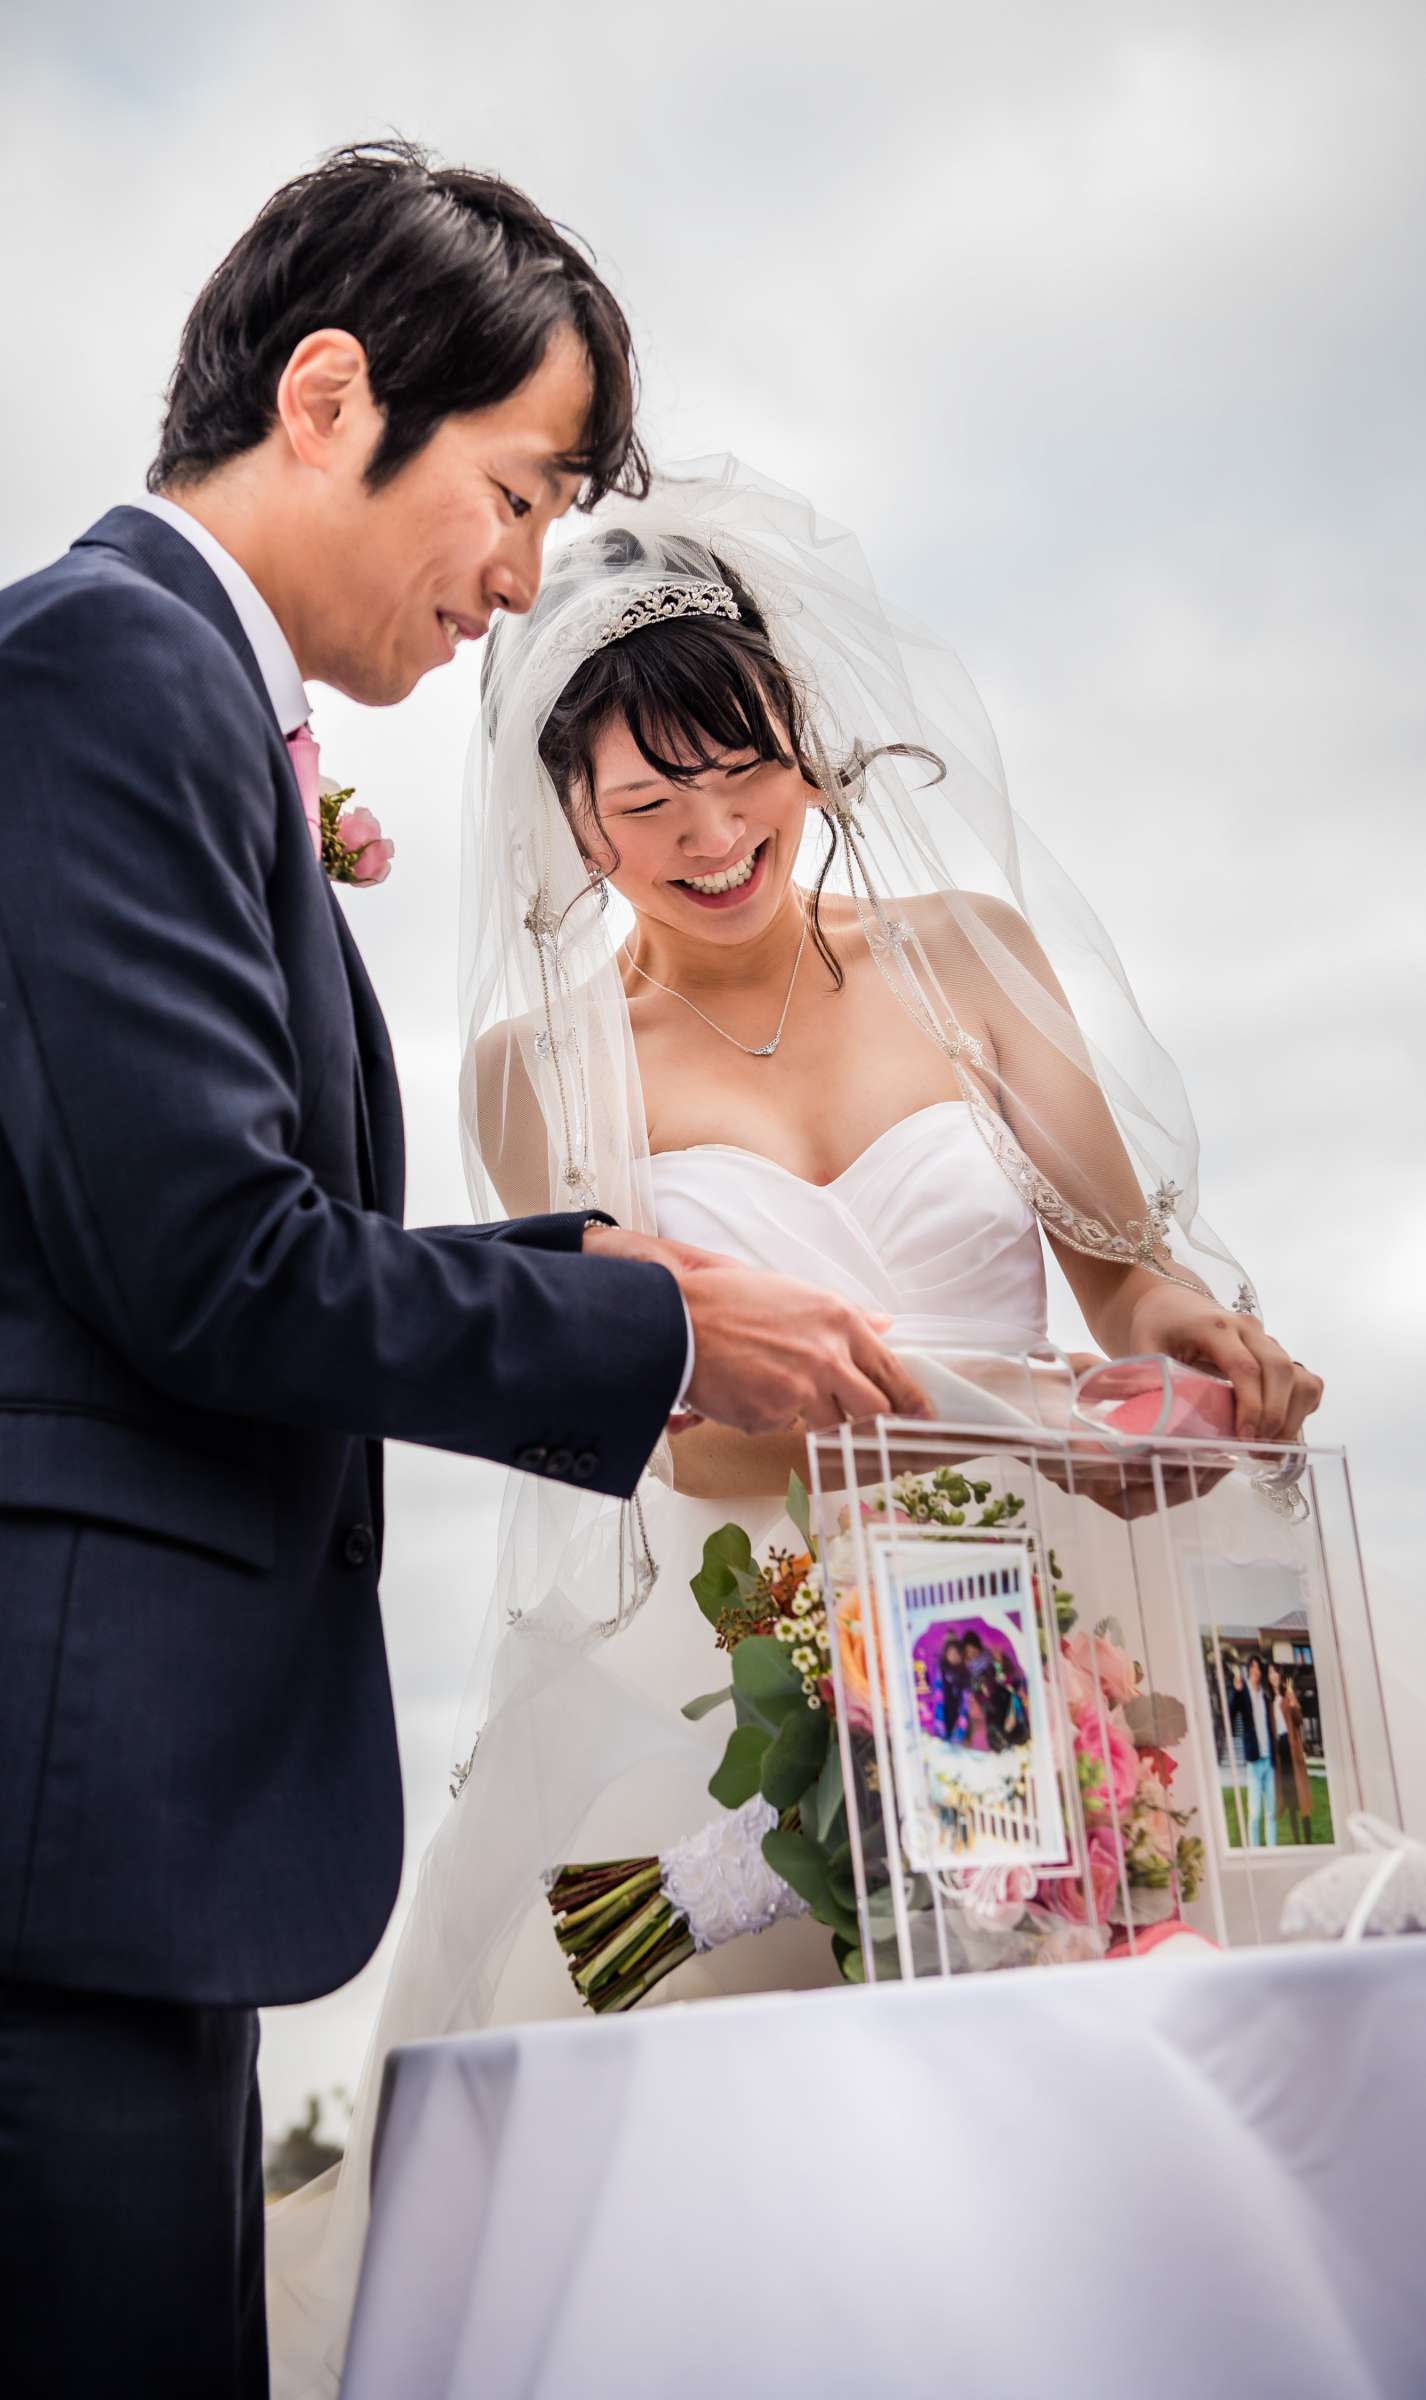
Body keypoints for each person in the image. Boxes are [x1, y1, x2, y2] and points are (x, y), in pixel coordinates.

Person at [0, 157, 915, 2400]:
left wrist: (587, 1267)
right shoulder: (93, 676)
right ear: (329, 398)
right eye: (513, 495)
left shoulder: (165, 695)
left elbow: (193, 1231)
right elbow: (214, 1266)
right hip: (27, 1836)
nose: (521, 582)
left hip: (99, 1838)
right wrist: (673, 1321)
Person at [265, 458, 1324, 2390]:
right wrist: (946, 1415)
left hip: (1092, 1619)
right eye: (646, 801)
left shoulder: (969, 955)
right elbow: (679, 1432)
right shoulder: (540, 1068)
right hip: (776, 1655)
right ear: (573, 826)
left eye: (738, 769)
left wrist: (1209, 1346)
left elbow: (1123, 1275)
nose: (709, 830)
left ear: (808, 754)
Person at [1229, 1654, 1279, 1846]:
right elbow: (1230, 1713)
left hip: (1269, 1761)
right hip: (1254, 1761)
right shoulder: (1243, 1693)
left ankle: (1272, 1851)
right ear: (1248, 1670)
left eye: (1258, 1668)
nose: (1255, 1671)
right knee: (1255, 1814)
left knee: (1271, 1812)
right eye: (1252, 1667)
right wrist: (1236, 1690)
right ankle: (1256, 1851)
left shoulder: (1265, 1696)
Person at [1268, 1661, 1315, 1843]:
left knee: (1301, 1795)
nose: (1273, 1676)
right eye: (1270, 1673)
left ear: (1280, 1676)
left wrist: (1293, 1699)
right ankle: (1297, 1841)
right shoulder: (1270, 1701)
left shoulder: (1288, 1695)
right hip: (1281, 1753)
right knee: (1290, 1799)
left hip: (1293, 1749)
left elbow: (1299, 1719)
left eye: (1275, 1672)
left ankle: (1309, 1840)